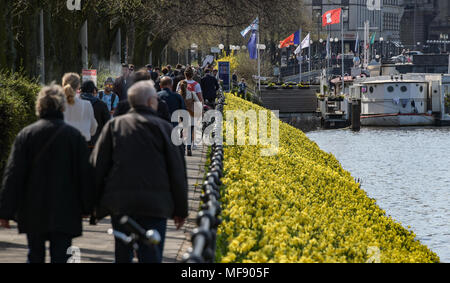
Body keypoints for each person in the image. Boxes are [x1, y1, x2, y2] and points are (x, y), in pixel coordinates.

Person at [90, 80, 188, 263]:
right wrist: (180, 210)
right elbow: (177, 170)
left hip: (120, 203)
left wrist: (92, 204)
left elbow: (98, 166)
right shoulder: (166, 129)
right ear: (151, 102)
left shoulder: (114, 127)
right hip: (155, 205)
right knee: (151, 252)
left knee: (122, 253)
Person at [0, 84, 94, 263]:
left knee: (34, 255)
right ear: (62, 106)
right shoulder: (74, 137)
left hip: (33, 208)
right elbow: (85, 174)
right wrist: (87, 207)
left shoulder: (26, 135)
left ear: (39, 106)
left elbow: (13, 174)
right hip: (65, 209)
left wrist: (5, 211)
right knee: (61, 256)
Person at [62, 73, 98, 142]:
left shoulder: (58, 104)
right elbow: (93, 129)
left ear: (63, 85)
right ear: (78, 86)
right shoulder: (87, 105)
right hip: (82, 145)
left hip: (64, 145)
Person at [80, 81, 110, 149]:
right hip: (97, 143)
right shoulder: (101, 105)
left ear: (81, 90)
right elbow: (108, 124)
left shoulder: (76, 104)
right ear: (94, 90)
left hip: (80, 142)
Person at [178, 80, 201, 156]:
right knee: (190, 131)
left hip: (181, 115)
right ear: (187, 86)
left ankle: (182, 146)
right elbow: (198, 102)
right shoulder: (192, 93)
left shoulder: (178, 94)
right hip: (191, 114)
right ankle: (188, 148)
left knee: (182, 130)